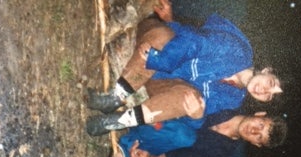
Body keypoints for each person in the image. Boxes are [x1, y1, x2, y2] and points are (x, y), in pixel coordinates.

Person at [86, 6, 282, 135]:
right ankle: (114, 99)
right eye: (271, 84)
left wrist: (197, 116)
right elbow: (194, 41)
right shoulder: (238, 51)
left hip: (159, 83)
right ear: (266, 70)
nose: (264, 91)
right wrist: (161, 60)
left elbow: (194, 121)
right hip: (156, 41)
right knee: (165, 37)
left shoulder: (233, 99)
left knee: (193, 99)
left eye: (269, 96)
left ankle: (115, 121)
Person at [103, 109, 288, 157]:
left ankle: (127, 144)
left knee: (184, 136)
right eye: (261, 125)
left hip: (154, 139)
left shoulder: (219, 155)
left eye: (259, 137)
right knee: (187, 130)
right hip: (157, 109)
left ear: (256, 144)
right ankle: (123, 146)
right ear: (260, 113)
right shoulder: (228, 101)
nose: (254, 130)